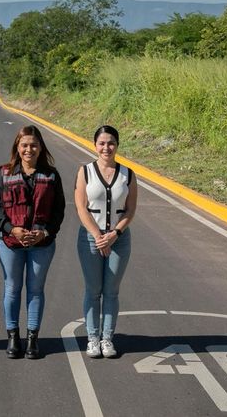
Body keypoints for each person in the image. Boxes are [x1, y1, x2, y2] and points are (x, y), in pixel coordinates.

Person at [0, 125, 65, 359]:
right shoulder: (4, 173)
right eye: (24, 145)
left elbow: (58, 211)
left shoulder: (51, 175)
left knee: (35, 290)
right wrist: (12, 229)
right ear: (17, 147)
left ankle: (32, 338)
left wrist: (44, 233)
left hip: (42, 244)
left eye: (33, 145)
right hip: (10, 244)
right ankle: (13, 336)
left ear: (41, 147)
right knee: (12, 289)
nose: (28, 149)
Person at [74, 125, 137, 358]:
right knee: (93, 290)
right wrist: (99, 237)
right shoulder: (85, 171)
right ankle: (92, 338)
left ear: (117, 145)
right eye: (101, 143)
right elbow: (81, 207)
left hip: (119, 239)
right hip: (91, 238)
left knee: (111, 291)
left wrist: (114, 235)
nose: (106, 147)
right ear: (95, 145)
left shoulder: (127, 174)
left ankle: (107, 338)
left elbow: (130, 210)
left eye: (111, 143)